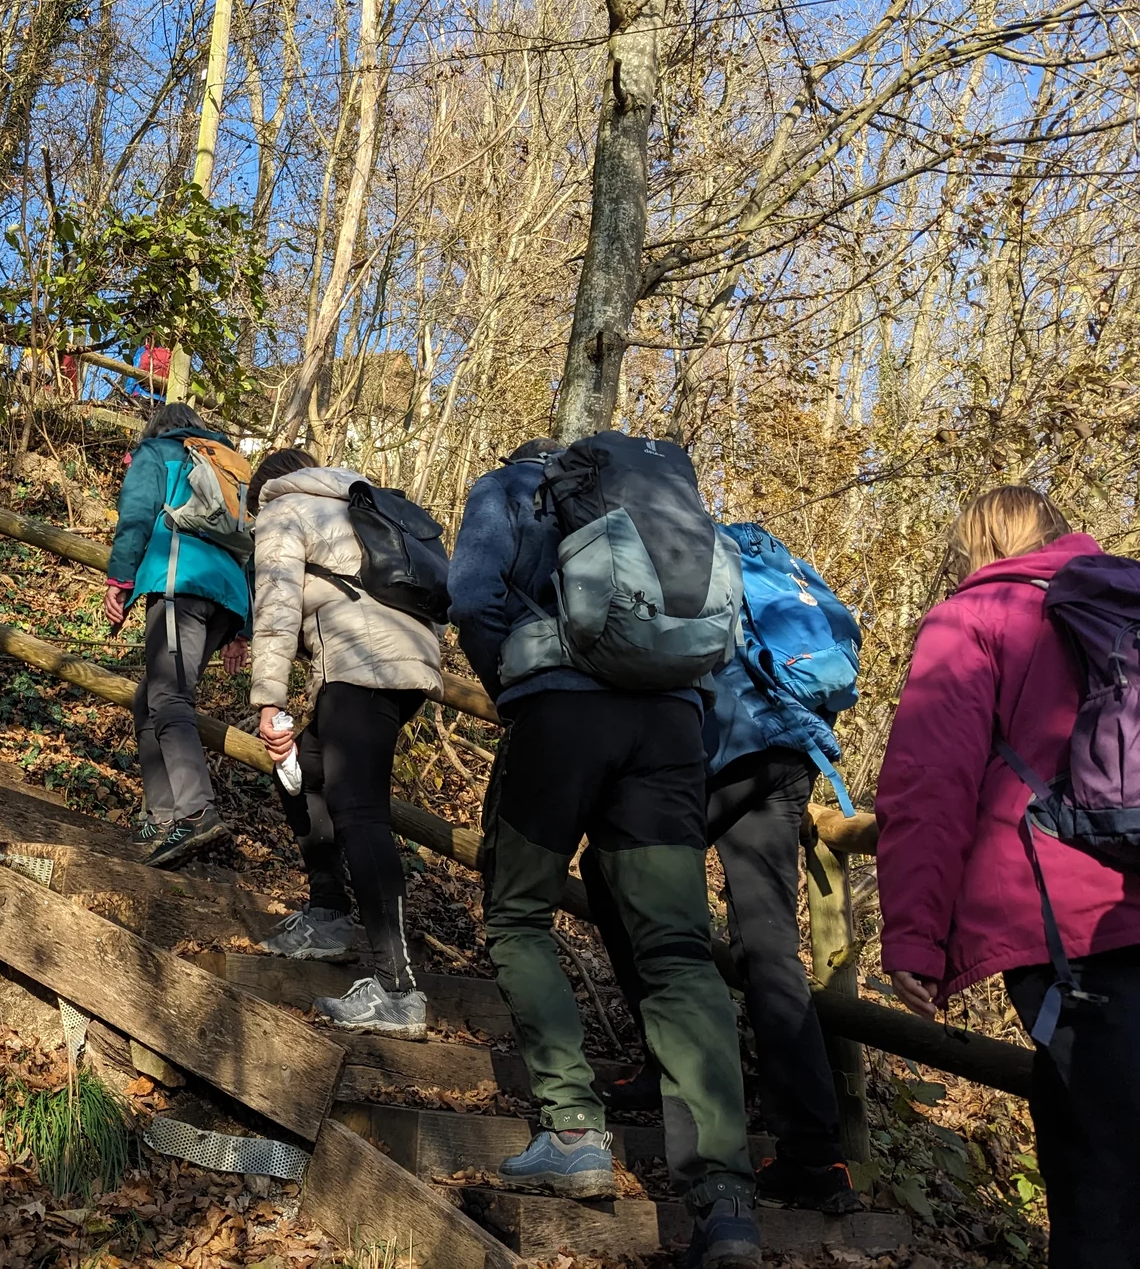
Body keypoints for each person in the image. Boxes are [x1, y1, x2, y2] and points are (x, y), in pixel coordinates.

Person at [450, 437, 761, 1268]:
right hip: (670, 723)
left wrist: (519, 684)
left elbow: (474, 596)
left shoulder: (510, 485)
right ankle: (725, 1199)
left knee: (517, 914)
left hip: (562, 712)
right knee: (678, 954)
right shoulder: (660, 504)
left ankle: (574, 1131)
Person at [876, 487, 1140, 1266]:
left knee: (1099, 1176)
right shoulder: (1122, 600)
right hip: (1124, 901)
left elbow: (930, 784)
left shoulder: (974, 616)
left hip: (1058, 920)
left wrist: (915, 940)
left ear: (980, 541)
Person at [582, 522, 861, 1212]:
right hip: (794, 756)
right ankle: (814, 1156)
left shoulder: (686, 550)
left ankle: (669, 1063)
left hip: (725, 746)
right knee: (771, 951)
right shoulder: (783, 561)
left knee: (613, 869)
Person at [248, 450, 444, 1038]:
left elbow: (277, 607)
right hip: (411, 667)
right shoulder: (365, 505)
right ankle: (329, 912)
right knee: (303, 767)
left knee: (359, 811)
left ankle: (397, 989)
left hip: (359, 665)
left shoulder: (284, 510)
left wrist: (269, 700)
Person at [105, 402, 250, 867]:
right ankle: (163, 818)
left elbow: (135, 517)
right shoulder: (230, 466)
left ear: (157, 428)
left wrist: (119, 580)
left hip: (178, 584)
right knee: (149, 698)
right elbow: (249, 543)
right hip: (225, 597)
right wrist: (241, 628)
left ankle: (195, 811)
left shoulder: (159, 453)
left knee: (168, 698)